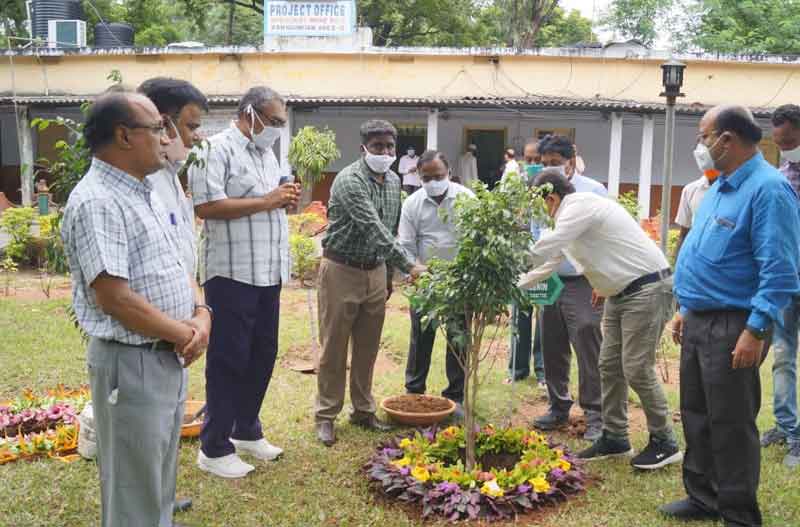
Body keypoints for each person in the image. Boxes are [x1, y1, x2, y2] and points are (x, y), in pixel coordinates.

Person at [61, 91, 211, 527]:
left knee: (157, 482)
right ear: (124, 136)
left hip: (164, 356)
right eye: (157, 128)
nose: (167, 139)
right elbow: (115, 298)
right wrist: (185, 333)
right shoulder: (98, 201)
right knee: (134, 493)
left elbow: (176, 264)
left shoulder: (144, 192)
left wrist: (202, 313)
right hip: (132, 363)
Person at [662, 106, 800, 525]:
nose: (700, 146)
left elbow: (779, 270)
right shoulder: (720, 186)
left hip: (735, 324)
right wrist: (685, 308)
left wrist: (756, 329)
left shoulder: (769, 189)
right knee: (697, 414)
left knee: (731, 424)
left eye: (704, 137)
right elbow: (703, 253)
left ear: (727, 140)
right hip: (700, 319)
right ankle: (704, 498)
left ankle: (739, 513)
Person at [519, 168, 681, 470]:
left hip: (647, 289)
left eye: (540, 203)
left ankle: (665, 441)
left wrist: (503, 259)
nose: (541, 211)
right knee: (608, 364)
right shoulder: (567, 216)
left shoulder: (578, 206)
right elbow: (549, 263)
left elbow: (545, 249)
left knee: (635, 367)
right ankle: (616, 436)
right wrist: (512, 286)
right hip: (620, 293)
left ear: (551, 197)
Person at [190, 86, 300, 479]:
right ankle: (214, 447)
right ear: (249, 113)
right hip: (231, 273)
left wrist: (283, 200)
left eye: (280, 124)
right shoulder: (214, 149)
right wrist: (268, 201)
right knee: (228, 359)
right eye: (272, 122)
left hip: (267, 272)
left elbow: (269, 202)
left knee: (262, 354)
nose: (275, 130)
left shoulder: (267, 154)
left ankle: (246, 429)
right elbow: (205, 206)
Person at [315, 120, 426, 446]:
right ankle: (325, 415)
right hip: (341, 269)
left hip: (375, 271)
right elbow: (374, 229)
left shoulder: (394, 181)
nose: (386, 153)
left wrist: (390, 275)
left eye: (390, 147)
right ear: (363, 148)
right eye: (378, 147)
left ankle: (363, 410)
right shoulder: (349, 181)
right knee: (334, 348)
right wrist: (409, 266)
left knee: (367, 346)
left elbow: (391, 230)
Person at [137, 76, 208, 516]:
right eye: (190, 125)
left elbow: (180, 257)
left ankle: (163, 500)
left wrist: (198, 314)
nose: (195, 135)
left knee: (167, 428)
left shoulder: (170, 176)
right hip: (152, 334)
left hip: (179, 331)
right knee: (146, 437)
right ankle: (151, 509)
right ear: (161, 125)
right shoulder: (140, 184)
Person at [529, 135, 606, 442]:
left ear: (571, 162)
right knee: (551, 342)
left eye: (555, 164)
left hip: (583, 280)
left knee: (588, 339)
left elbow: (602, 237)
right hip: (550, 277)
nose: (549, 169)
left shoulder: (594, 191)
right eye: (544, 164)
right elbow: (536, 232)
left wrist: (601, 278)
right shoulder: (538, 191)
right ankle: (558, 406)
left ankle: (595, 414)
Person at [398, 150, 474, 419]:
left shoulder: (466, 199)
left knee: (458, 340)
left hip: (459, 282)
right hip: (424, 282)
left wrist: (464, 275)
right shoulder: (412, 203)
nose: (432, 182)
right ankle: (414, 392)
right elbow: (405, 245)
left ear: (449, 172)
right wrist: (415, 269)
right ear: (418, 176)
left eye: (438, 176)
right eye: (426, 177)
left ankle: (455, 396)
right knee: (421, 337)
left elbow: (474, 242)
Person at [759, 104, 800, 469]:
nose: (784, 147)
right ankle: (789, 429)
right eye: (778, 141)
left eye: (788, 140)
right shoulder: (781, 174)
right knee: (783, 355)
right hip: (788, 279)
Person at [507, 139, 545, 387]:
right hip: (521, 260)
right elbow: (508, 221)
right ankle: (517, 370)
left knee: (544, 315)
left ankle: (543, 371)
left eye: (537, 161)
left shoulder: (553, 190)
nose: (532, 165)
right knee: (520, 313)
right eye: (528, 160)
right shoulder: (515, 188)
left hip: (545, 262)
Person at [673, 169, 718, 258]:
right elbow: (684, 233)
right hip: (696, 257)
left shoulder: (739, 190)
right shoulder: (690, 190)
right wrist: (677, 265)